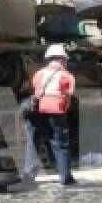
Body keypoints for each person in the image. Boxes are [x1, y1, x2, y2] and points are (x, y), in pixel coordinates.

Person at [22, 44, 76, 185]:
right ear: (63, 60)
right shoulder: (67, 76)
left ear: (48, 59)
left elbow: (34, 89)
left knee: (33, 142)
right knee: (60, 144)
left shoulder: (39, 74)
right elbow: (68, 99)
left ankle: (29, 176)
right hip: (56, 112)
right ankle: (65, 177)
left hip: (37, 111)